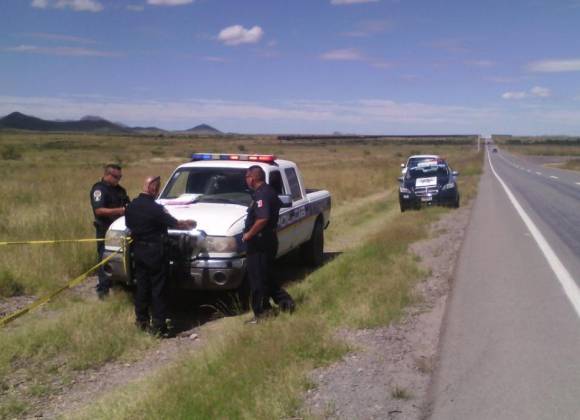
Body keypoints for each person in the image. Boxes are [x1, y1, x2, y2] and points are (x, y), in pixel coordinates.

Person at [125, 176, 195, 337]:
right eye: (157, 189)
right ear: (154, 189)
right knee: (158, 288)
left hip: (138, 251)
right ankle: (159, 325)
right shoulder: (156, 208)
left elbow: (129, 225)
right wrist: (190, 224)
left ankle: (141, 320)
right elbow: (175, 223)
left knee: (142, 287)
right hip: (155, 253)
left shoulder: (131, 206)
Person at [242, 165, 295, 322]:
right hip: (267, 240)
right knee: (266, 277)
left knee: (257, 280)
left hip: (260, 242)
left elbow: (263, 218)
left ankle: (262, 314)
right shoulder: (269, 191)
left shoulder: (262, 195)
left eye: (246, 177)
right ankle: (286, 304)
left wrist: (248, 234)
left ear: (252, 178)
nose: (246, 180)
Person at [90, 164, 130, 299]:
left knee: (121, 257)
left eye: (120, 177)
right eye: (116, 177)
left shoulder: (120, 190)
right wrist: (119, 211)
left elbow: (127, 205)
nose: (118, 179)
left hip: (121, 230)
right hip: (105, 230)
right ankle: (103, 290)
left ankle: (120, 284)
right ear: (108, 175)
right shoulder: (99, 189)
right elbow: (99, 210)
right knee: (105, 259)